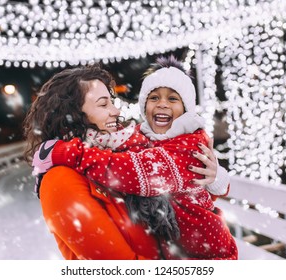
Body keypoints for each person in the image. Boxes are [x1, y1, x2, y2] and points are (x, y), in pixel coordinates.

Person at [32, 56, 238, 259]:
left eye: (112, 102)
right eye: (104, 105)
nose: (116, 110)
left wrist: (216, 177)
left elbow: (182, 194)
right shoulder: (60, 180)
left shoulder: (125, 152)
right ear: (73, 114)